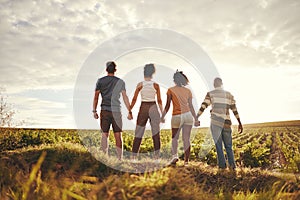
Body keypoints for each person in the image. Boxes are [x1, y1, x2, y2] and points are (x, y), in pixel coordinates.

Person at [196, 77, 243, 170]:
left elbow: (203, 106)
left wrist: (197, 117)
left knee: (219, 145)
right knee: (229, 146)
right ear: (222, 84)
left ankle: (222, 167)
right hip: (227, 123)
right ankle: (232, 166)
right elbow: (234, 110)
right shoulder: (229, 95)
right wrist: (239, 122)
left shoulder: (211, 94)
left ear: (214, 84)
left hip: (215, 122)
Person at [93, 61, 132, 160]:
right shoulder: (120, 82)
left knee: (104, 135)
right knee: (118, 135)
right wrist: (129, 110)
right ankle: (119, 159)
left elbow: (96, 97)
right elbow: (125, 97)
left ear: (106, 69)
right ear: (115, 70)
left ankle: (104, 159)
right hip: (116, 112)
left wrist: (94, 110)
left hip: (105, 110)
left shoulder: (100, 81)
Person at [161, 70, 200, 166]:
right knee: (186, 139)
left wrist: (162, 117)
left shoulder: (170, 90)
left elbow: (167, 105)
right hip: (188, 115)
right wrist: (196, 118)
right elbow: (190, 106)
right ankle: (186, 162)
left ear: (174, 80)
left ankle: (175, 156)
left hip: (177, 116)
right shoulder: (188, 91)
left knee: (175, 138)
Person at [130, 64, 163, 160]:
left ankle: (133, 157)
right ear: (153, 73)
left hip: (143, 107)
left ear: (144, 73)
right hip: (153, 107)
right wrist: (163, 113)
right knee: (155, 133)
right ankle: (156, 158)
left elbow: (134, 99)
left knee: (138, 132)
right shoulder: (156, 85)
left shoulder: (140, 84)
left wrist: (130, 109)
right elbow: (160, 100)